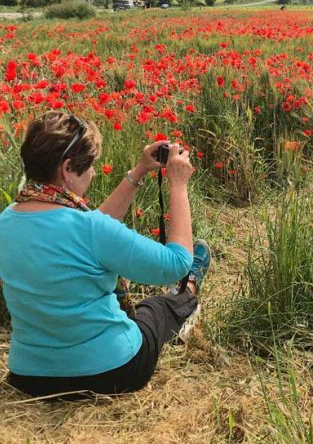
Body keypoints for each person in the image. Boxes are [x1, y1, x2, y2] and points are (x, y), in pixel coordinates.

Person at [0, 112, 211, 400]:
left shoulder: (6, 222)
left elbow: (86, 234)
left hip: (31, 378)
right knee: (156, 308)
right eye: (89, 166)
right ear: (67, 169)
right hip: (111, 372)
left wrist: (138, 172)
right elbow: (175, 263)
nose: (93, 173)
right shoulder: (90, 230)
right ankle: (188, 290)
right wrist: (178, 184)